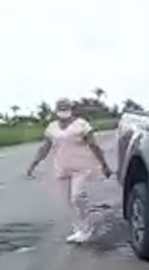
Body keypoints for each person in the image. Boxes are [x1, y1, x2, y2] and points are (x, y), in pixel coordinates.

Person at [26, 98, 112, 243]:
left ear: (71, 110)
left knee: (77, 197)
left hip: (81, 167)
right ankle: (79, 229)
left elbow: (94, 145)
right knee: (68, 202)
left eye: (66, 109)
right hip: (62, 167)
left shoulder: (82, 125)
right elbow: (45, 147)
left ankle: (86, 227)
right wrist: (33, 164)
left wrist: (104, 164)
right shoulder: (52, 128)